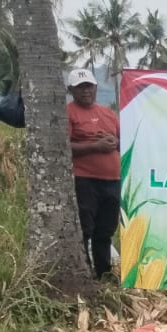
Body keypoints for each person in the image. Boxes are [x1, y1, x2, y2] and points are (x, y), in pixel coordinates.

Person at [65, 68, 121, 278]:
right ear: (71, 90)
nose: (86, 91)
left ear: (96, 87)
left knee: (105, 230)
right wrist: (95, 147)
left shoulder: (108, 113)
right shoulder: (68, 112)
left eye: (89, 86)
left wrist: (115, 142)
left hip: (112, 180)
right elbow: (63, 147)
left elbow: (123, 141)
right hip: (85, 180)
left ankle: (103, 273)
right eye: (80, 87)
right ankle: (84, 273)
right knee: (85, 229)